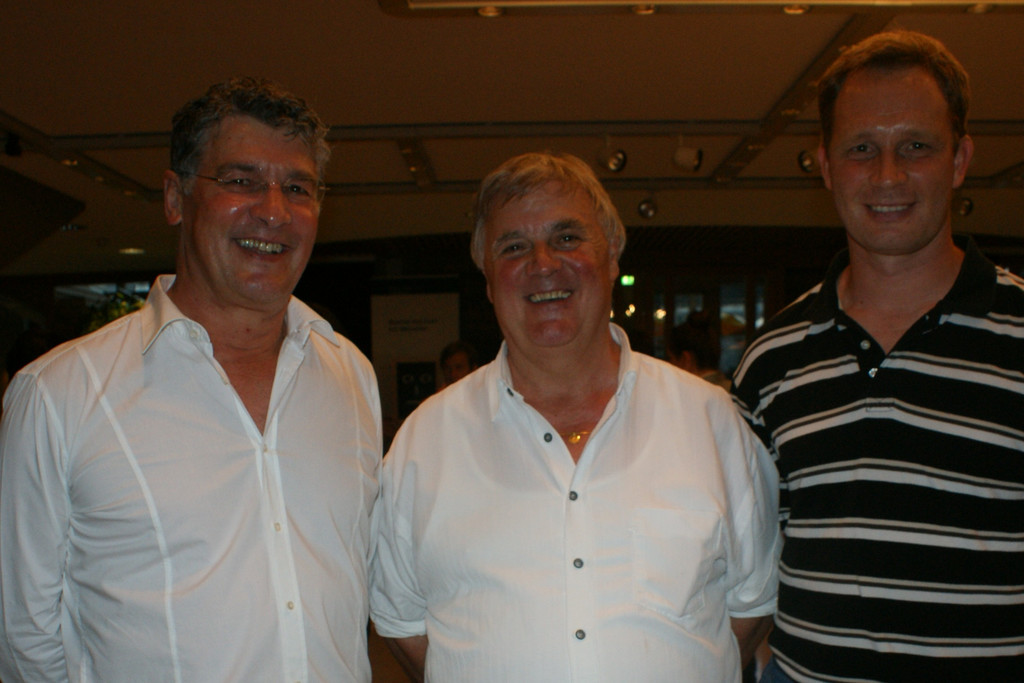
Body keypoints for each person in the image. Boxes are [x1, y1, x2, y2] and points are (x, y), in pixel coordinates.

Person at [0, 78, 382, 682]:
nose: (274, 210)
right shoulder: (59, 394)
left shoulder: (351, 375)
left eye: (298, 187)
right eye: (241, 180)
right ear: (175, 197)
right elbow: (25, 639)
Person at [370, 152, 780, 682]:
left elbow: (750, 606)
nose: (542, 263)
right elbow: (403, 623)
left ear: (611, 258)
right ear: (489, 281)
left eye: (566, 238)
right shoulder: (425, 442)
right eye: (513, 246)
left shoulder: (710, 422)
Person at [730, 30, 1024, 682]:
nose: (888, 174)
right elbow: (750, 562)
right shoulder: (771, 358)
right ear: (826, 166)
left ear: (959, 159)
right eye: (861, 148)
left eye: (916, 146)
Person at [667, 310, 730, 390]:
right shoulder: (734, 391)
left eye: (670, 359)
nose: (669, 365)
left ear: (686, 359)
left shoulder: (689, 394)